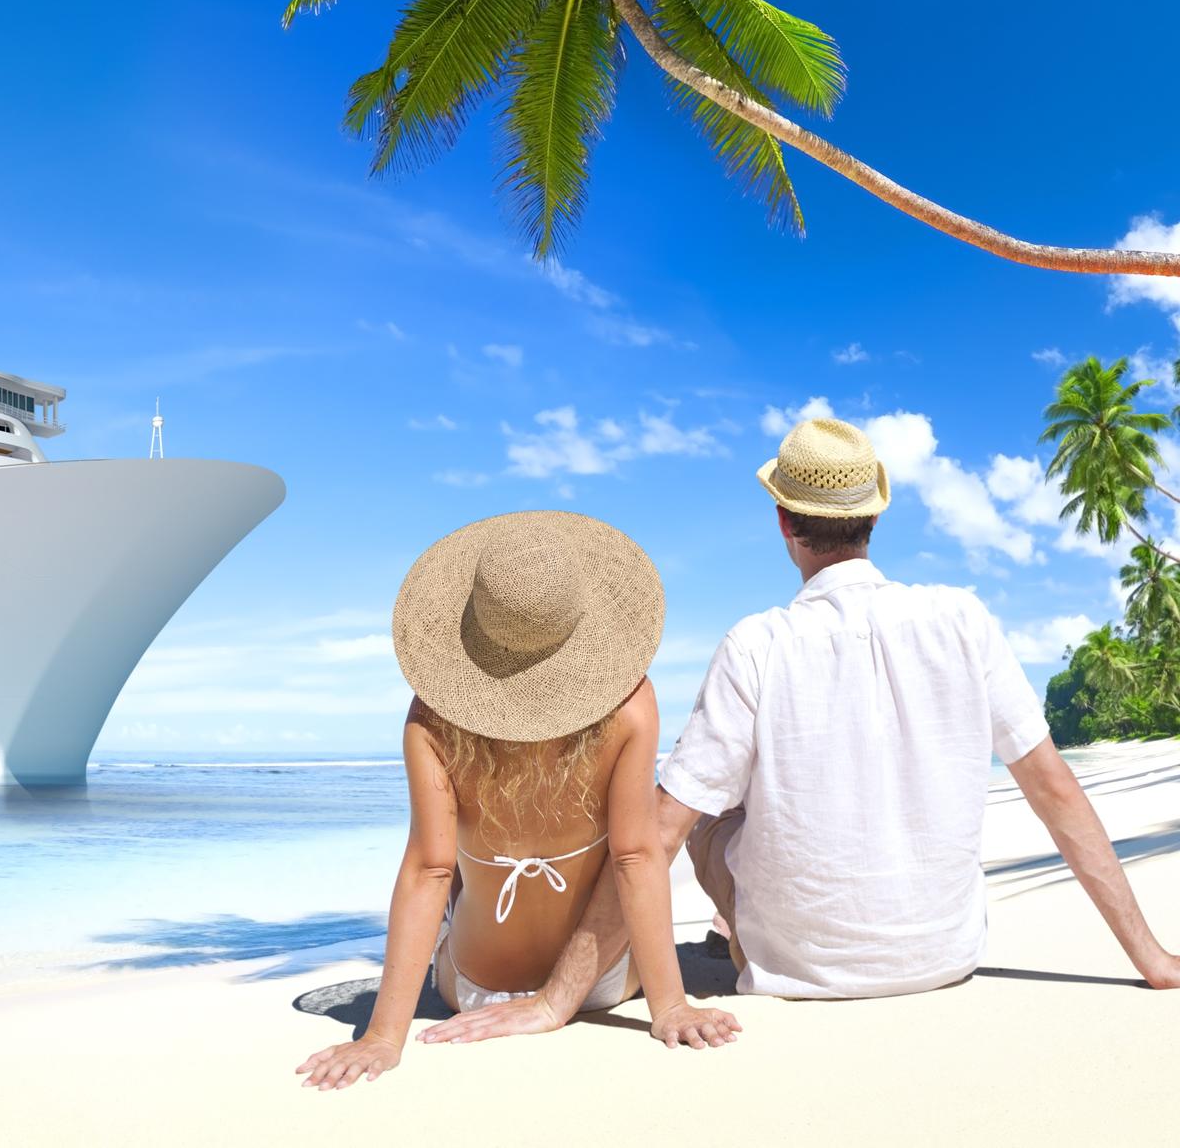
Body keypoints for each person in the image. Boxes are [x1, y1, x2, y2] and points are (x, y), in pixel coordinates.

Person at [448, 417, 1180, 1031]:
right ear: (875, 516)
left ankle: (731, 936)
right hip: (943, 958)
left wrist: (553, 1001)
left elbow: (661, 835)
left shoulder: (758, 643)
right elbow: (1054, 790)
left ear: (782, 522)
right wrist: (1150, 957)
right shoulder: (963, 619)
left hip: (796, 971)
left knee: (708, 814)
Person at [296, 512, 740, 1092]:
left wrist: (382, 1036)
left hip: (474, 989)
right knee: (616, 856)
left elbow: (429, 870)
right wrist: (670, 1008)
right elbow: (636, 857)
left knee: (454, 875)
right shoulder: (631, 705)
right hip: (606, 984)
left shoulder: (431, 719)